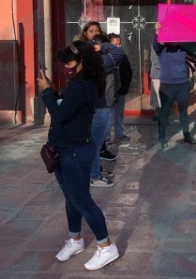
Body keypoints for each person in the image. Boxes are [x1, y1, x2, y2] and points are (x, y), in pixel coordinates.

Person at [37, 40, 119, 270]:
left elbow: (59, 114)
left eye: (70, 63)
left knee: (81, 199)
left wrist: (46, 91)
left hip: (75, 151)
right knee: (71, 197)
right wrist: (53, 92)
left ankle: (106, 246)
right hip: (63, 149)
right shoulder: (76, 83)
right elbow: (66, 109)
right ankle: (75, 239)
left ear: (82, 62)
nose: (66, 67)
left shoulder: (84, 86)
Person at [89, 34, 126, 187]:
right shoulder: (100, 61)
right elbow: (119, 54)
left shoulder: (95, 61)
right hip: (101, 106)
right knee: (95, 144)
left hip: (102, 104)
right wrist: (103, 46)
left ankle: (94, 170)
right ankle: (93, 175)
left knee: (95, 143)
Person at [152, 23, 196, 148]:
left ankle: (187, 134)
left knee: (183, 112)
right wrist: (157, 32)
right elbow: (155, 44)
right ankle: (162, 137)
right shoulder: (162, 48)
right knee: (164, 112)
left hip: (182, 84)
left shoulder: (183, 46)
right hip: (167, 85)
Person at [108, 33, 132, 142]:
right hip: (109, 91)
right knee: (108, 114)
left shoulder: (123, 57)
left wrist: (125, 86)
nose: (118, 46)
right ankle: (106, 136)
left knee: (119, 113)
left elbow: (128, 72)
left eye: (120, 43)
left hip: (121, 90)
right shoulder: (106, 57)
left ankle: (119, 133)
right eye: (116, 44)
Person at [150, 44, 162, 121]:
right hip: (157, 75)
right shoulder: (155, 45)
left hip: (166, 76)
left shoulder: (168, 45)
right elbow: (155, 60)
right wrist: (166, 67)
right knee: (157, 96)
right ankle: (157, 115)